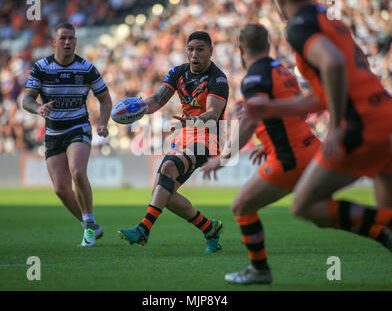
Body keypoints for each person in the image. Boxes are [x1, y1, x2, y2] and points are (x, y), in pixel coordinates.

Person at [246, 0, 392, 274]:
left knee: (304, 205)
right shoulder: (329, 19)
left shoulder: (299, 25)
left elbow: (333, 63)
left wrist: (334, 128)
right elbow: (325, 93)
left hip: (364, 125)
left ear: (279, 0)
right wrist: (272, 108)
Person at [201, 24, 322, 284]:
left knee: (242, 206)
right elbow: (300, 113)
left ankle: (260, 270)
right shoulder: (284, 72)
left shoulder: (254, 77)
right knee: (318, 211)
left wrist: (222, 160)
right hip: (311, 147)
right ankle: (390, 226)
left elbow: (247, 124)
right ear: (268, 44)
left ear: (241, 49)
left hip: (290, 158)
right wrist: (268, 139)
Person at [117, 31, 228, 253]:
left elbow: (214, 113)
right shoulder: (179, 73)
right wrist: (139, 108)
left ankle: (143, 229)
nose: (194, 54)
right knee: (163, 192)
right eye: (190, 49)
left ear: (210, 51)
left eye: (200, 49)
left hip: (208, 137)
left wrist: (194, 120)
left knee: (167, 171)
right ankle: (210, 228)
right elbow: (157, 100)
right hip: (185, 134)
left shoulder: (218, 79)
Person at [22, 22, 112, 247]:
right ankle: (89, 224)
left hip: (78, 127)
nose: (67, 42)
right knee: (61, 189)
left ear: (76, 42)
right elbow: (27, 100)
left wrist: (102, 123)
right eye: (63, 38)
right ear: (54, 41)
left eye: (71, 38)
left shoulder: (87, 68)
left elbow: (105, 99)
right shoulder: (41, 68)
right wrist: (38, 108)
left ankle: (89, 225)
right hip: (53, 132)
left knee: (78, 172)